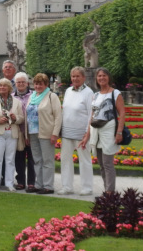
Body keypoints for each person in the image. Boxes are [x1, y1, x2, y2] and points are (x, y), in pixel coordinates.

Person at [85, 67, 125, 193]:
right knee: (102, 164)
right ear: (96, 79)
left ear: (108, 78)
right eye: (99, 76)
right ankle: (107, 189)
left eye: (104, 75)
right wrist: (87, 135)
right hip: (96, 131)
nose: (101, 78)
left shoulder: (115, 93)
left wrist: (119, 132)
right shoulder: (96, 95)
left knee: (108, 163)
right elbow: (92, 115)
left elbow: (122, 113)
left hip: (108, 130)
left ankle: (110, 192)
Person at [59, 67, 94, 196]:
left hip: (81, 133)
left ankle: (87, 187)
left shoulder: (89, 93)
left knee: (84, 160)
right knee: (65, 159)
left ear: (83, 77)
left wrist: (87, 133)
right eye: (73, 76)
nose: (75, 78)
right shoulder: (68, 91)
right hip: (67, 132)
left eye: (78, 76)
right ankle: (67, 187)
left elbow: (92, 114)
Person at [0, 78, 24, 191]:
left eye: (4, 86)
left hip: (12, 132)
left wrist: (15, 118)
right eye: (0, 86)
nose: (2, 87)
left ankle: (9, 183)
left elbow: (22, 118)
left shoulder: (17, 102)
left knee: (10, 159)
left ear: (9, 88)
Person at [25, 73, 62, 195]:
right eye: (36, 83)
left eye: (40, 84)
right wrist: (26, 135)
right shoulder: (32, 96)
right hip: (32, 132)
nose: (37, 86)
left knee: (47, 160)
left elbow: (58, 116)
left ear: (46, 84)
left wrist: (55, 133)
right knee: (37, 160)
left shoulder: (52, 96)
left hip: (46, 132)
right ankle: (38, 184)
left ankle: (48, 186)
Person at [13, 72, 35, 191]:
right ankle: (20, 181)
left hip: (31, 131)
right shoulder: (11, 96)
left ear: (27, 83)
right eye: (18, 82)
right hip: (18, 130)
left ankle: (31, 182)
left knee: (31, 157)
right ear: (15, 84)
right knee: (19, 157)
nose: (21, 84)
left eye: (23, 82)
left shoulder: (34, 95)